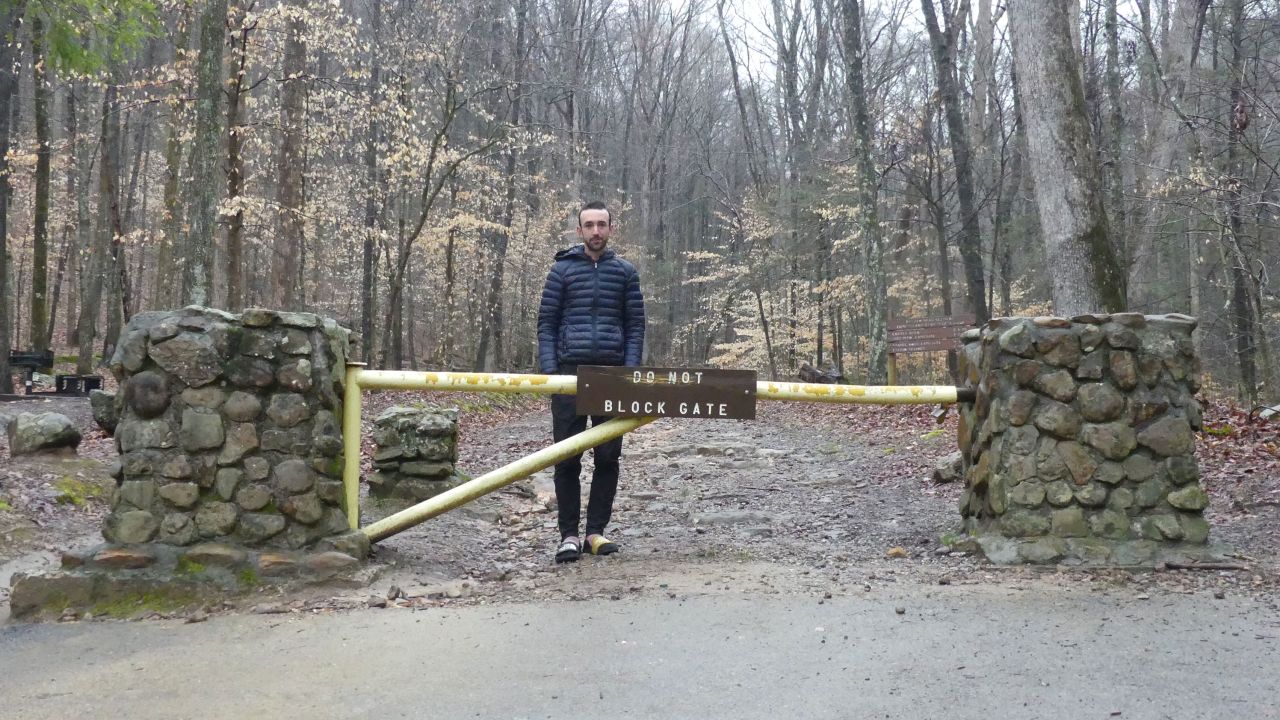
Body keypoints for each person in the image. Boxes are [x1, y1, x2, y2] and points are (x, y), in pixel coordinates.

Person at [537, 200, 646, 563]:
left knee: (608, 457)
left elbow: (635, 327)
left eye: (602, 224)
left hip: (612, 377)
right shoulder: (561, 272)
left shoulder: (626, 272)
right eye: (589, 225)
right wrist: (553, 374)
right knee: (567, 458)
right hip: (569, 374)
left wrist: (629, 374)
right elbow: (546, 325)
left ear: (611, 229)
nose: (596, 231)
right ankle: (568, 535)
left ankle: (596, 533)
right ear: (579, 230)